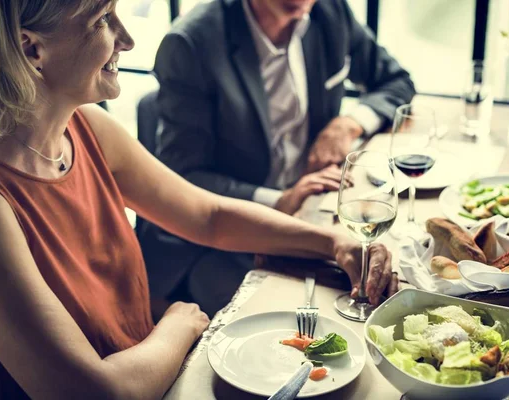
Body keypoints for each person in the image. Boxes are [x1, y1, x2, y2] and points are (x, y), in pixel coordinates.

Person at [0, 1, 396, 398]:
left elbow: (209, 216)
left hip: (154, 369)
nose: (125, 40)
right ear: (31, 49)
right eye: (103, 19)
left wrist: (334, 243)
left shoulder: (84, 126)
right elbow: (94, 392)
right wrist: (177, 326)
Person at [143, 0, 414, 315]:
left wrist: (349, 124)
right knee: (312, 320)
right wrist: (278, 200)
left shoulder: (330, 11)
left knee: (391, 290)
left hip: (313, 211)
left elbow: (397, 81)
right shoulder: (190, 43)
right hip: (217, 241)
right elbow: (182, 179)